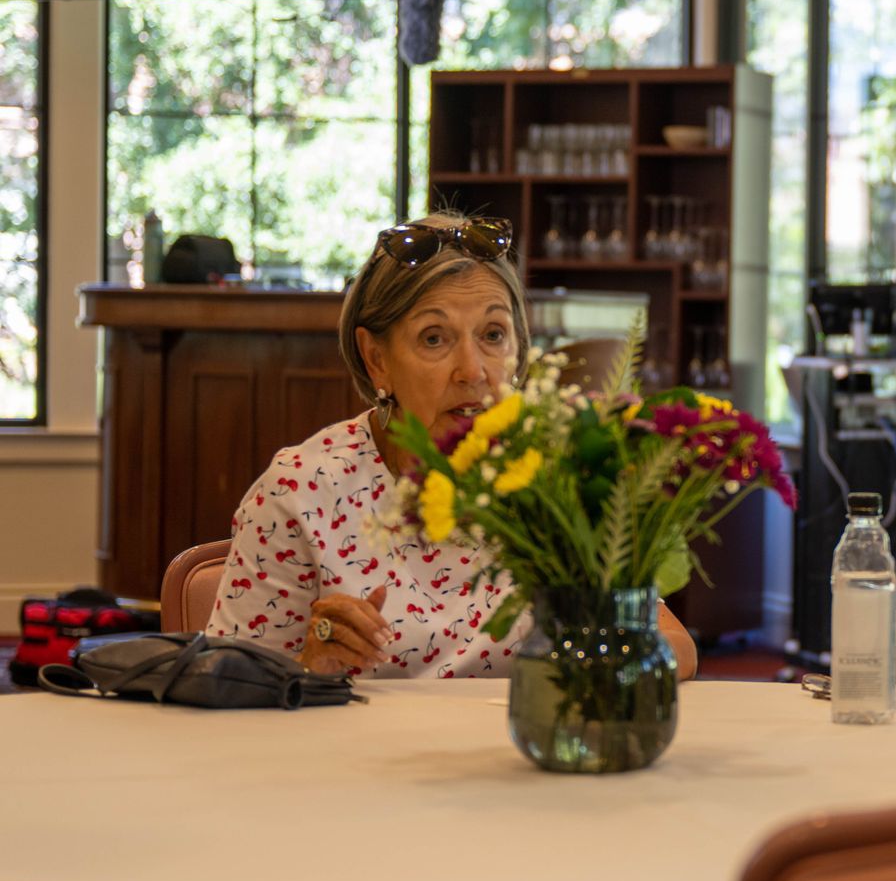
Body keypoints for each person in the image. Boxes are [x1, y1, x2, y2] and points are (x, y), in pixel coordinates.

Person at [207, 214, 698, 681]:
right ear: (376, 359)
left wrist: (606, 659)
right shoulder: (300, 492)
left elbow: (674, 642)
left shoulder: (554, 476)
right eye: (435, 338)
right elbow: (225, 683)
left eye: (493, 335)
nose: (473, 370)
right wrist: (312, 660)